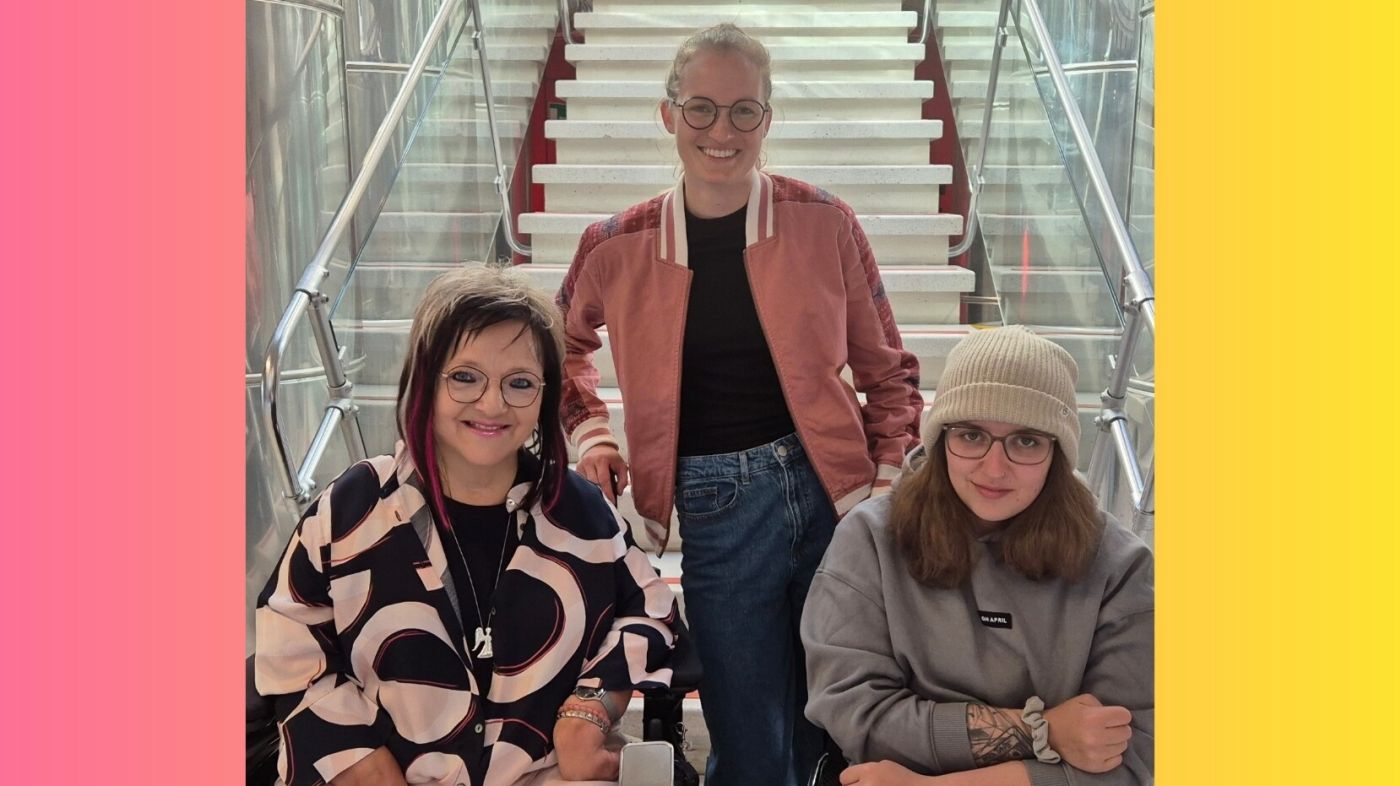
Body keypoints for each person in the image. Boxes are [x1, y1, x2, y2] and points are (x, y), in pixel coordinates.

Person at [555, 23, 924, 786]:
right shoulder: (615, 243)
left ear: (767, 117)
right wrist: (592, 434)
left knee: (842, 718)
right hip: (714, 499)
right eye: (701, 109)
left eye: (744, 111)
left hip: (836, 495)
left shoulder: (824, 220)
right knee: (748, 727)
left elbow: (888, 371)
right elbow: (554, 350)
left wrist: (885, 486)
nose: (722, 131)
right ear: (669, 116)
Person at [254, 266, 680, 786]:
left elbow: (653, 613)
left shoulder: (581, 511)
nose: (493, 403)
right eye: (464, 377)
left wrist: (584, 718)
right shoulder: (355, 506)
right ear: (426, 382)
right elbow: (288, 635)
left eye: (519, 382)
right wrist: (357, 760)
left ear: (544, 396)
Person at [801, 326, 1154, 786]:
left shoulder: (1118, 565)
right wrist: (1044, 730)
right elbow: (855, 715)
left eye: (1026, 440)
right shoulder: (869, 539)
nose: (994, 467)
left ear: (1057, 452)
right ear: (940, 436)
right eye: (971, 435)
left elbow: (1132, 756)